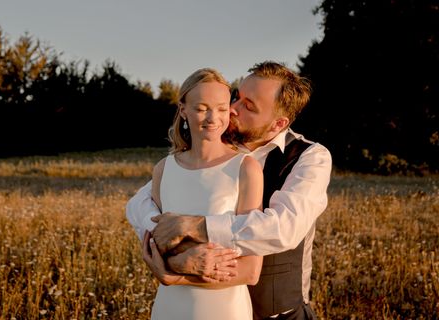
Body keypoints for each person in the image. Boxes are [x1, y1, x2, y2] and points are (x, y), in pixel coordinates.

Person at [127, 61, 332, 320]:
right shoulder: (215, 144)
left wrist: (197, 226)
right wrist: (164, 243)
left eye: (248, 106)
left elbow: (283, 228)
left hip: (279, 314)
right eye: (237, 97)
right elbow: (140, 203)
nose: (232, 110)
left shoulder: (310, 157)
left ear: (278, 124)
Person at [143, 67, 264, 320]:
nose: (213, 118)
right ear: (183, 110)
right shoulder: (164, 169)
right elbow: (151, 247)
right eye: (201, 108)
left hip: (225, 309)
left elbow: (251, 271)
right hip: (169, 308)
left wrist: (176, 277)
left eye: (221, 108)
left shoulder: (246, 169)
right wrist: (174, 268)